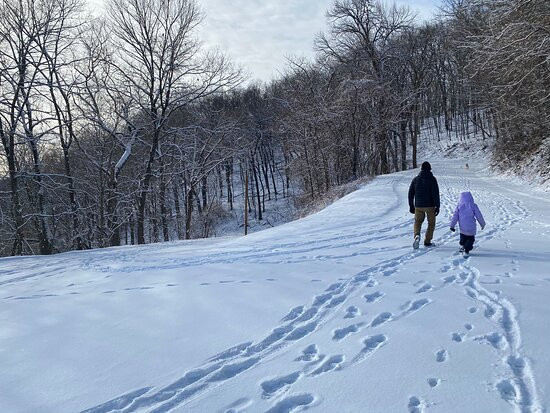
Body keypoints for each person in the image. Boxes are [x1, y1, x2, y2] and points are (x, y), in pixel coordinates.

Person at [408, 161, 440, 249]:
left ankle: (416, 236)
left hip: (418, 206)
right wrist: (437, 206)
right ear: (430, 169)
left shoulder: (415, 179)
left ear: (421, 169)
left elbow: (410, 193)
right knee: (431, 223)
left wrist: (411, 205)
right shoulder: (432, 179)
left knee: (418, 222)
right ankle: (427, 241)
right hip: (430, 206)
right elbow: (435, 193)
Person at [450, 191, 486, 257]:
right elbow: (479, 215)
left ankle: (462, 245)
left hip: (463, 227)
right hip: (471, 227)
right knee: (470, 239)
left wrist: (452, 225)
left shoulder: (459, 206)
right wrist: (482, 224)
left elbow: (455, 216)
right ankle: (467, 249)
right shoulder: (473, 206)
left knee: (463, 237)